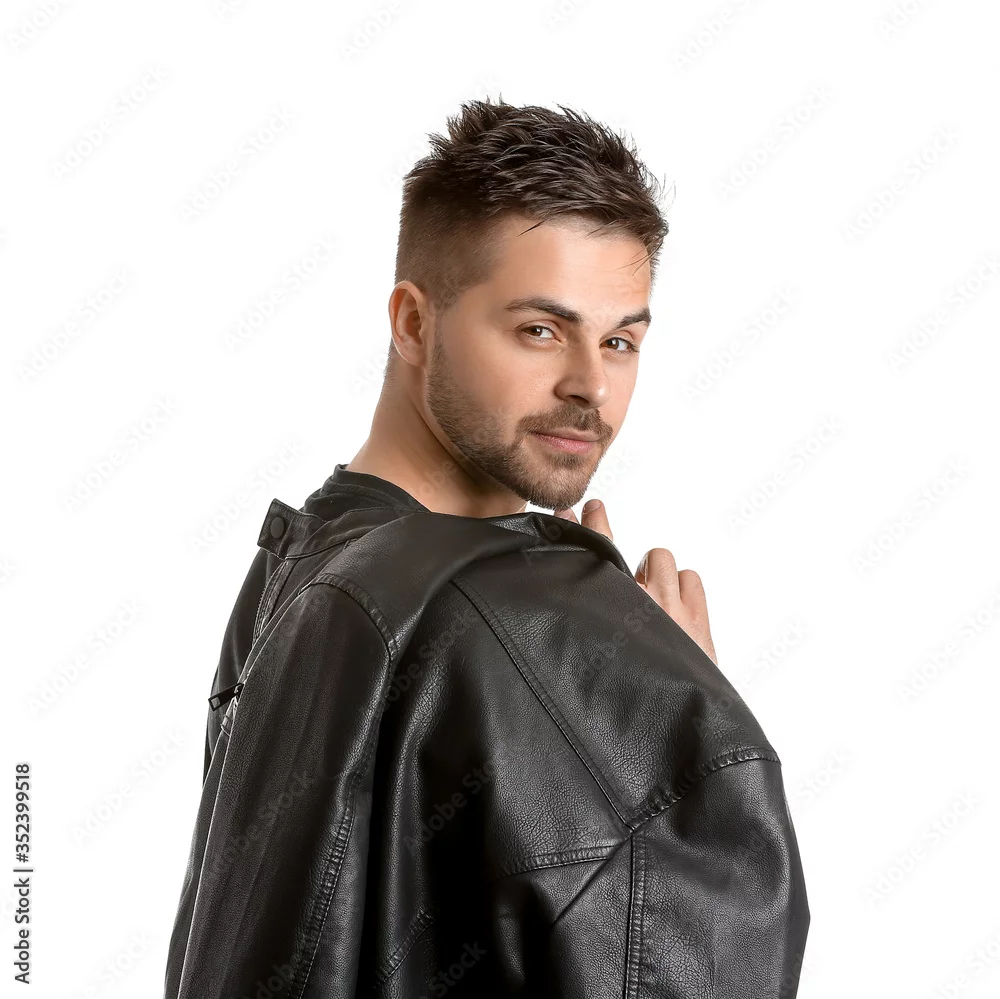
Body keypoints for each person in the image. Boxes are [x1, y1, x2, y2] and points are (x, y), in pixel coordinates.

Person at [164, 97, 809, 998]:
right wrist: (679, 718)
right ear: (413, 323)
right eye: (541, 330)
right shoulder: (519, 607)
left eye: (619, 340)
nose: (591, 385)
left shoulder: (299, 567)